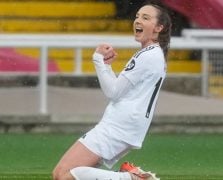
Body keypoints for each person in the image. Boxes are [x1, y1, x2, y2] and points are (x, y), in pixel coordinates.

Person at [52, 2, 172, 180]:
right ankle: (127, 176)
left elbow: (113, 92)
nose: (138, 20)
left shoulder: (146, 56)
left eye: (145, 18)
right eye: (137, 16)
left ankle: (133, 178)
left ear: (158, 28)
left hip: (119, 126)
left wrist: (98, 60)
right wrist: (107, 68)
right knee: (61, 175)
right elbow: (120, 90)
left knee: (64, 176)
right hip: (126, 126)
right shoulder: (154, 55)